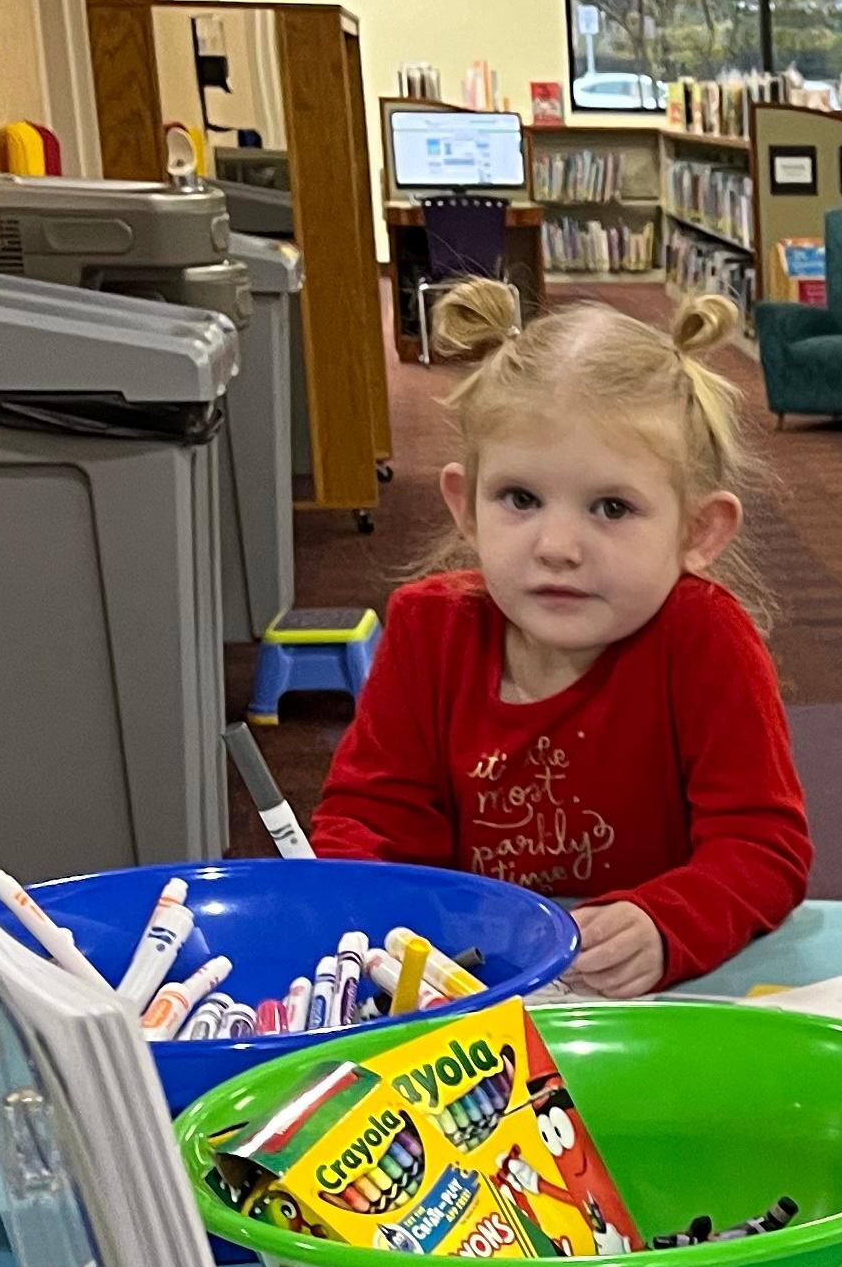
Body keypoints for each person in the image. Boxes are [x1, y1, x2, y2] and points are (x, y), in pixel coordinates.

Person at [313, 281, 810, 994]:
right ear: (466, 506)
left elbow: (763, 847)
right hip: (468, 991)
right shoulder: (429, 628)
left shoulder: (703, 638)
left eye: (612, 507)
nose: (557, 547)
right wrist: (375, 912)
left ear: (698, 531)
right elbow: (370, 819)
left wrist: (667, 924)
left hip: (648, 1000)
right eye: (519, 499)